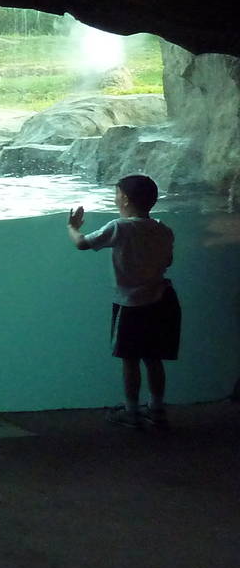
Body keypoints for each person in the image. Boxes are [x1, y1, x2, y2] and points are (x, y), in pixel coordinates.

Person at [67, 173, 180, 429]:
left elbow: (83, 244)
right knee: (153, 358)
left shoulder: (119, 227)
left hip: (131, 303)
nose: (115, 198)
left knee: (130, 359)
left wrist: (72, 227)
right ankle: (156, 408)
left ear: (126, 199)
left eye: (117, 193)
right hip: (162, 300)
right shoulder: (163, 229)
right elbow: (168, 261)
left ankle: (131, 411)